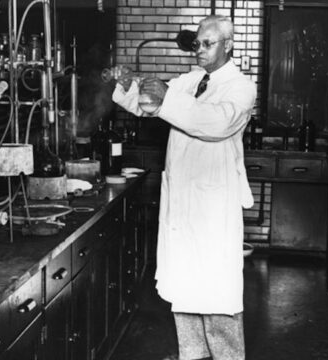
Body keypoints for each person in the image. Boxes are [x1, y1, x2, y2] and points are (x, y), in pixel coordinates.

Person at [112, 14, 256, 360]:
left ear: (229, 45)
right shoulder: (190, 80)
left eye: (208, 44)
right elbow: (148, 106)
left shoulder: (241, 87)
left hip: (213, 202)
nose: (199, 51)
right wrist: (129, 84)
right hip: (183, 198)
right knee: (186, 283)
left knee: (218, 290)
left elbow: (215, 123)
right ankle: (192, 356)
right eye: (198, 44)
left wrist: (167, 97)